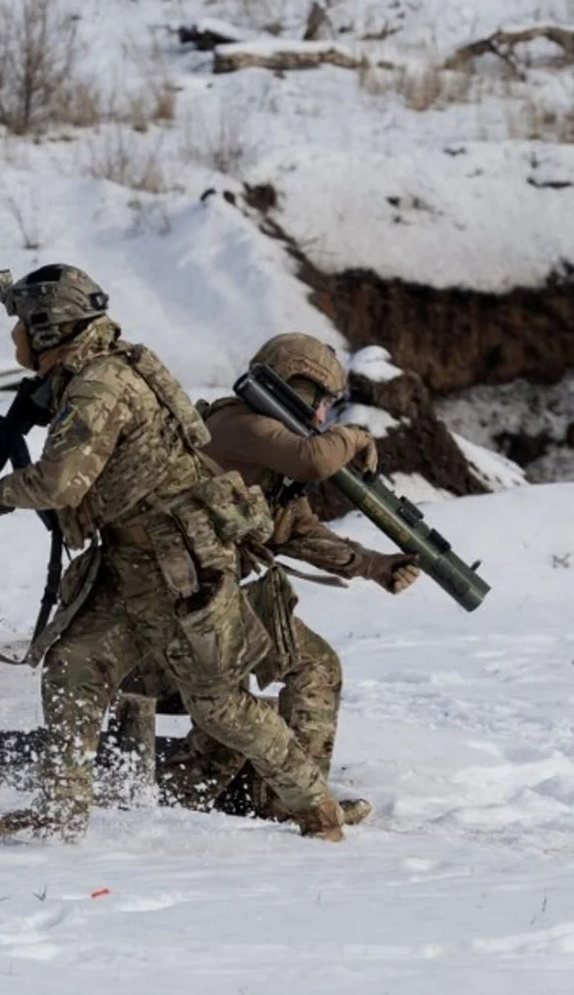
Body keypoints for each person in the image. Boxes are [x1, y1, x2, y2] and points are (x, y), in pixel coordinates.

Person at [0, 265, 346, 842]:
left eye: (22, 321)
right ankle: (63, 807)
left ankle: (317, 810)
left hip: (181, 569)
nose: (16, 335)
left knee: (220, 707)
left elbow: (62, 484)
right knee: (71, 670)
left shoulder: (99, 385)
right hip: (127, 564)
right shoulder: (94, 370)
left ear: (48, 327)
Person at [154, 333, 422, 824]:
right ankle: (288, 802)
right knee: (299, 675)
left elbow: (298, 531)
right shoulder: (238, 425)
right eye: (318, 400)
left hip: (213, 605)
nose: (321, 415)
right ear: (292, 385)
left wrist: (376, 567)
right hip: (180, 608)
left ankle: (221, 796)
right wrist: (356, 436)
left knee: (299, 673)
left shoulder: (266, 449)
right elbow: (315, 460)